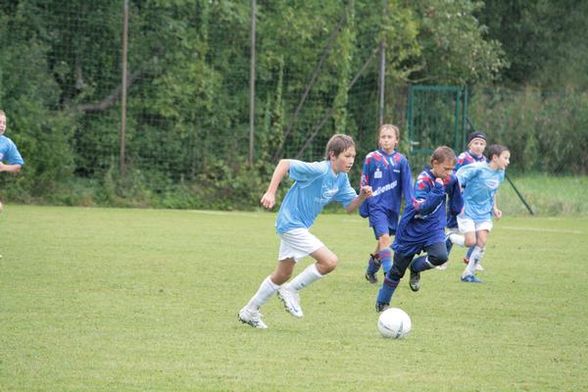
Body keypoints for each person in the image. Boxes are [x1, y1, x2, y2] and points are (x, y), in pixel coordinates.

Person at [239, 134, 373, 329]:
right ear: (332, 155)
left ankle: (249, 311)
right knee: (329, 261)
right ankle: (291, 290)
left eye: (353, 156)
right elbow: (284, 164)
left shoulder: (341, 179)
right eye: (347, 156)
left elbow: (349, 207)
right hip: (291, 224)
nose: (351, 160)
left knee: (282, 274)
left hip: (299, 227)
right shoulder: (319, 170)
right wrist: (270, 192)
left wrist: (362, 196)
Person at [375, 146, 463, 312]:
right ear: (434, 163)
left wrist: (456, 208)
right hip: (412, 231)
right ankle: (382, 302)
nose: (448, 173)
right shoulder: (423, 181)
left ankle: (416, 267)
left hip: (433, 229)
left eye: (452, 169)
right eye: (445, 169)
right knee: (397, 271)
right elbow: (423, 209)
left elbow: (455, 192)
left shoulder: (449, 178)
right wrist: (437, 190)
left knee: (441, 256)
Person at [447, 144, 510, 283]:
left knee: (482, 241)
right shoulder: (477, 168)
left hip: (484, 212)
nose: (508, 161)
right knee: (470, 242)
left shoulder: (500, 172)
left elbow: (492, 191)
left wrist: (495, 208)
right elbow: (456, 179)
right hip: (467, 209)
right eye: (505, 158)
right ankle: (450, 237)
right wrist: (457, 201)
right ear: (495, 157)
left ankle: (468, 274)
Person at [359, 124, 413, 283]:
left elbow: (407, 186)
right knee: (384, 239)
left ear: (396, 140)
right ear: (379, 139)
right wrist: (363, 202)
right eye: (383, 137)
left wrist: (412, 206)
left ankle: (371, 269)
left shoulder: (401, 161)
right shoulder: (371, 158)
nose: (386, 140)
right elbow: (364, 181)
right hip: (376, 205)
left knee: (384, 241)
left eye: (390, 137)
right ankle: (389, 275)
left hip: (393, 208)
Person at [438, 131, 488, 271]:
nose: (478, 146)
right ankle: (442, 260)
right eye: (476, 143)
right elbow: (453, 176)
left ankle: (471, 259)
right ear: (469, 144)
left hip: (476, 203)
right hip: (460, 199)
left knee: (479, 231)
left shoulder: (485, 161)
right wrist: (455, 195)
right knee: (453, 229)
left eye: (482, 143)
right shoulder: (463, 158)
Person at [0, 110, 25, 213]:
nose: (2, 125)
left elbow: (18, 165)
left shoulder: (7, 143)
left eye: (4, 123)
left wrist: (4, 167)